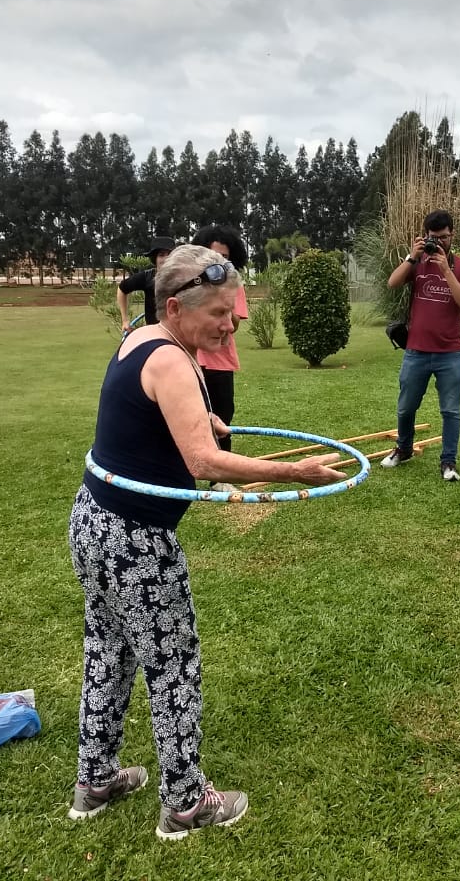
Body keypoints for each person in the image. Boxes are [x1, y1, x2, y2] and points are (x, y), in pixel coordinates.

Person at [67, 245, 344, 841]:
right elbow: (201, 462)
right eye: (220, 312)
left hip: (94, 524)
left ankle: (94, 780)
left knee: (109, 653)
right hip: (134, 541)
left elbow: (155, 418)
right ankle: (187, 803)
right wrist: (292, 473)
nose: (232, 322)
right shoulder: (171, 361)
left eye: (234, 312)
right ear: (175, 305)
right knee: (174, 665)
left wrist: (204, 417)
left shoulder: (145, 338)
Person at [380, 209, 460, 482]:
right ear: (426, 236)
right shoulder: (418, 261)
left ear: (452, 235)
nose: (440, 242)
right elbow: (392, 283)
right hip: (417, 351)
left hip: (450, 353)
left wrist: (446, 270)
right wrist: (413, 257)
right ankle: (404, 449)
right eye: (434, 237)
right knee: (406, 407)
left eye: (445, 237)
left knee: (451, 410)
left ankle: (448, 461)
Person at [191, 225, 251, 458]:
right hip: (191, 360)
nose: (217, 261)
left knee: (222, 418)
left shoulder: (234, 285)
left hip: (220, 361)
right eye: (212, 255)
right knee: (189, 415)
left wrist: (222, 300)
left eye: (224, 256)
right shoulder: (190, 283)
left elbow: (233, 326)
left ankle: (220, 478)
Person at [115, 235, 176, 335]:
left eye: (169, 254)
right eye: (161, 255)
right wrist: (125, 320)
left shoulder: (182, 278)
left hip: (178, 334)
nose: (166, 258)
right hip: (154, 335)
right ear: (154, 258)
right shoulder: (146, 277)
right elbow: (122, 289)